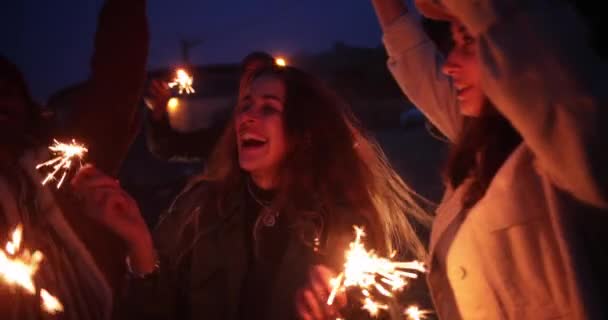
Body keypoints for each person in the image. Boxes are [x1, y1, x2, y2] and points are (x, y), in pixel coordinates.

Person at [71, 52, 432, 319]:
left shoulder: (345, 223)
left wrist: (342, 311)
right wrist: (139, 243)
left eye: (268, 108)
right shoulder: (199, 207)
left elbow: (384, 309)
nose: (247, 117)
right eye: (245, 104)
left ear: (302, 132)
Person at [370, 0, 608, 318]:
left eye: (468, 41)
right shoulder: (485, 145)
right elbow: (418, 67)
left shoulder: (575, 149)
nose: (448, 64)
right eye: (454, 43)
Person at [0, 0, 148, 318]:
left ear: (27, 104)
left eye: (7, 91)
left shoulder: (65, 167)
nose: (0, 103)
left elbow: (115, 85)